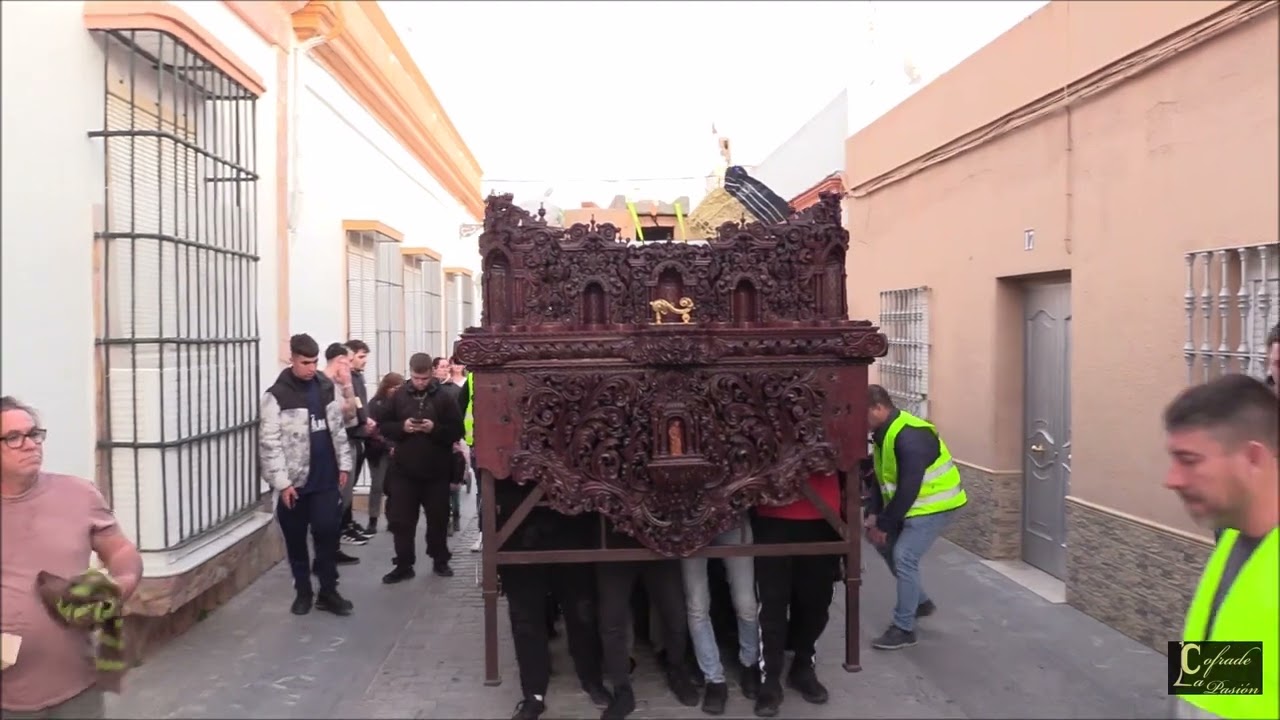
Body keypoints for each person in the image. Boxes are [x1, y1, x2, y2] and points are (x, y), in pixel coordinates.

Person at [1, 396, 145, 718]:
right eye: (13, 438)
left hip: (78, 685)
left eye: (34, 434)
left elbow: (120, 550)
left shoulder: (78, 494)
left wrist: (120, 585)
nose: (30, 444)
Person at [1163, 374, 1277, 719]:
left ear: (1252, 458)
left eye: (1191, 460)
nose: (1172, 479)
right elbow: (1226, 682)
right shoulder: (1234, 535)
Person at [864, 384, 967, 651]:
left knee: (904, 556)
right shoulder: (882, 433)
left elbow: (909, 487)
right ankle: (920, 602)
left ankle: (904, 628)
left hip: (935, 506)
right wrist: (874, 514)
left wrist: (885, 524)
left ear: (878, 407)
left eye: (861, 412)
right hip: (912, 506)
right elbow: (879, 477)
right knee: (885, 546)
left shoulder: (910, 435)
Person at [260, 334, 355, 617]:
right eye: (305, 362)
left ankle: (328, 590)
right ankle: (303, 591)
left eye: (314, 362)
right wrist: (282, 483)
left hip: (325, 480)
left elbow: (338, 428)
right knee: (296, 540)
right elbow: (269, 443)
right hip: (295, 485)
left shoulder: (326, 387)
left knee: (327, 534)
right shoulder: (276, 395)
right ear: (292, 360)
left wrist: (344, 465)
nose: (311, 368)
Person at [499, 482, 611, 720]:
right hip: (519, 527)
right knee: (525, 620)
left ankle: (591, 678)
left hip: (571, 525)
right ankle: (534, 694)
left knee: (583, 612)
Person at [752, 470, 842, 717]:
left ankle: (803, 663)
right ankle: (770, 677)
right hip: (772, 512)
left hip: (824, 515)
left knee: (816, 601)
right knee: (772, 602)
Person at [379, 353, 465, 581]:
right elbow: (384, 425)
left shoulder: (445, 398)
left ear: (432, 374)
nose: (420, 383)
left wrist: (434, 429)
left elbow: (457, 431)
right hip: (404, 472)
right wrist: (402, 427)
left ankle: (440, 560)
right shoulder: (398, 397)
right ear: (410, 374)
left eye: (425, 378)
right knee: (401, 521)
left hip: (436, 471)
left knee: (437, 519)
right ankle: (404, 564)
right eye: (416, 378)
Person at [596, 542, 700, 718]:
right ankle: (622, 691)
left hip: (659, 538)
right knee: (610, 621)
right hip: (615, 539)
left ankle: (677, 670)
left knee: (676, 615)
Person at [682, 522, 760, 714]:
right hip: (689, 522)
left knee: (746, 603)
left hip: (732, 517)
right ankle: (713, 678)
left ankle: (750, 663)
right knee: (697, 605)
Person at [323, 343, 366, 551]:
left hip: (346, 444)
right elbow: (347, 415)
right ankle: (331, 548)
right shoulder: (327, 384)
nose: (352, 366)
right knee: (336, 498)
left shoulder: (339, 383)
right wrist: (348, 386)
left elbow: (352, 415)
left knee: (345, 496)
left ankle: (335, 547)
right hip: (334, 449)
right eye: (349, 361)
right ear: (340, 361)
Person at [341, 339, 376, 539]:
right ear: (350, 355)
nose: (364, 361)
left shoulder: (357, 377)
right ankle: (344, 526)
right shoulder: (347, 378)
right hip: (351, 435)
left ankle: (348, 522)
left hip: (359, 435)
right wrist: (364, 419)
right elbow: (353, 403)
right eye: (361, 357)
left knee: (351, 485)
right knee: (345, 487)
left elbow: (360, 402)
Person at [363, 372, 403, 534]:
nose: (398, 391)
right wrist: (389, 445)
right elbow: (374, 429)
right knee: (377, 485)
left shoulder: (400, 403)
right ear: (387, 387)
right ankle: (373, 520)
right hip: (377, 450)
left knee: (393, 487)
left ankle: (392, 519)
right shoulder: (376, 404)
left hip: (394, 449)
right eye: (396, 388)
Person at [432, 357, 467, 537]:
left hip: (451, 442)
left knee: (453, 484)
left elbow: (458, 416)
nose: (445, 370)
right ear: (434, 369)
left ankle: (456, 515)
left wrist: (456, 439)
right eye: (442, 367)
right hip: (433, 443)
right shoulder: (430, 389)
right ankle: (444, 520)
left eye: (447, 367)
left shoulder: (455, 390)